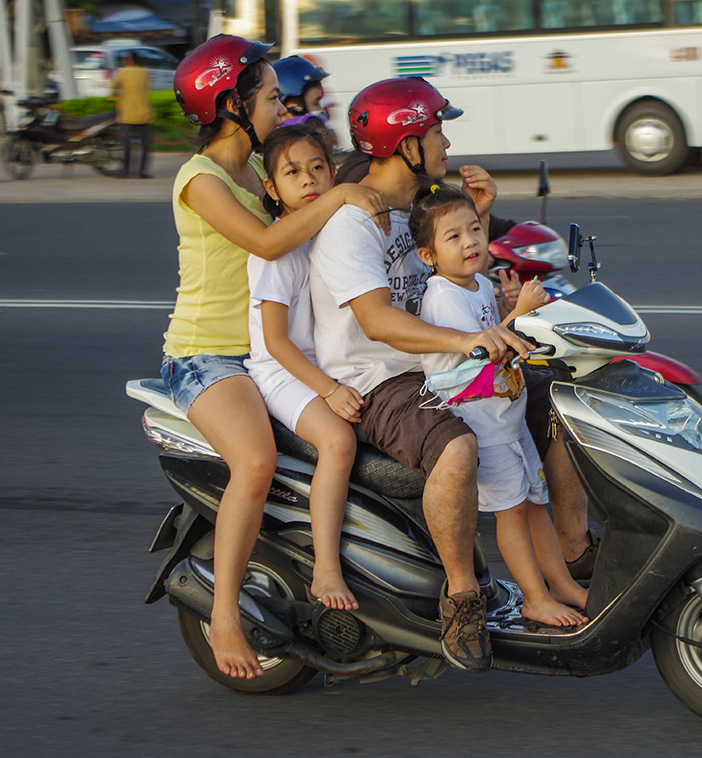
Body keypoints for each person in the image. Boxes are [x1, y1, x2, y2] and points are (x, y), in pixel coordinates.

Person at [163, 35, 388, 681]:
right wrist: (341, 199)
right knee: (256, 461)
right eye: (266, 96)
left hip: (267, 351)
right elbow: (266, 242)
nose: (277, 106)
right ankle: (227, 615)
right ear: (231, 103)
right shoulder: (200, 179)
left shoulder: (253, 173)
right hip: (209, 356)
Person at [308, 77, 531, 673]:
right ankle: (461, 596)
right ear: (407, 144)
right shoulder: (352, 226)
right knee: (456, 449)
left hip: (431, 361)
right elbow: (378, 322)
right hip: (379, 377)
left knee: (551, 402)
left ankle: (569, 556)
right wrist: (468, 341)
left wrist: (478, 220)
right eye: (435, 132)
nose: (446, 142)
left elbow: (447, 267)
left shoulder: (411, 208)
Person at [414, 183, 588, 627]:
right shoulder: (443, 296)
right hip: (483, 427)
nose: (470, 241)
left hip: (506, 418)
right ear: (428, 255)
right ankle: (534, 597)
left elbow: (500, 337)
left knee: (534, 503)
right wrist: (518, 313)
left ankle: (562, 585)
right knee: (511, 514)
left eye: (474, 229)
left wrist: (511, 308)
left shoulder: (474, 285)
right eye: (453, 236)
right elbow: (486, 349)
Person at [245, 123, 360, 611]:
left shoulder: (331, 233)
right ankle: (326, 569)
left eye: (317, 169)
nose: (309, 180)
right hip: (280, 370)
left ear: (334, 174)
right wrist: (329, 390)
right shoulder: (278, 250)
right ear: (271, 188)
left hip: (323, 362)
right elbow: (274, 341)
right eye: (293, 173)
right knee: (338, 440)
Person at [111, 50, 153, 178]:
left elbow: (114, 87)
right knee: (145, 145)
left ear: (129, 60)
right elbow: (146, 88)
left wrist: (118, 97)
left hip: (127, 112)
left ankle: (126, 171)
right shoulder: (144, 72)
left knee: (126, 144)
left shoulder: (122, 72)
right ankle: (141, 172)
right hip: (144, 112)